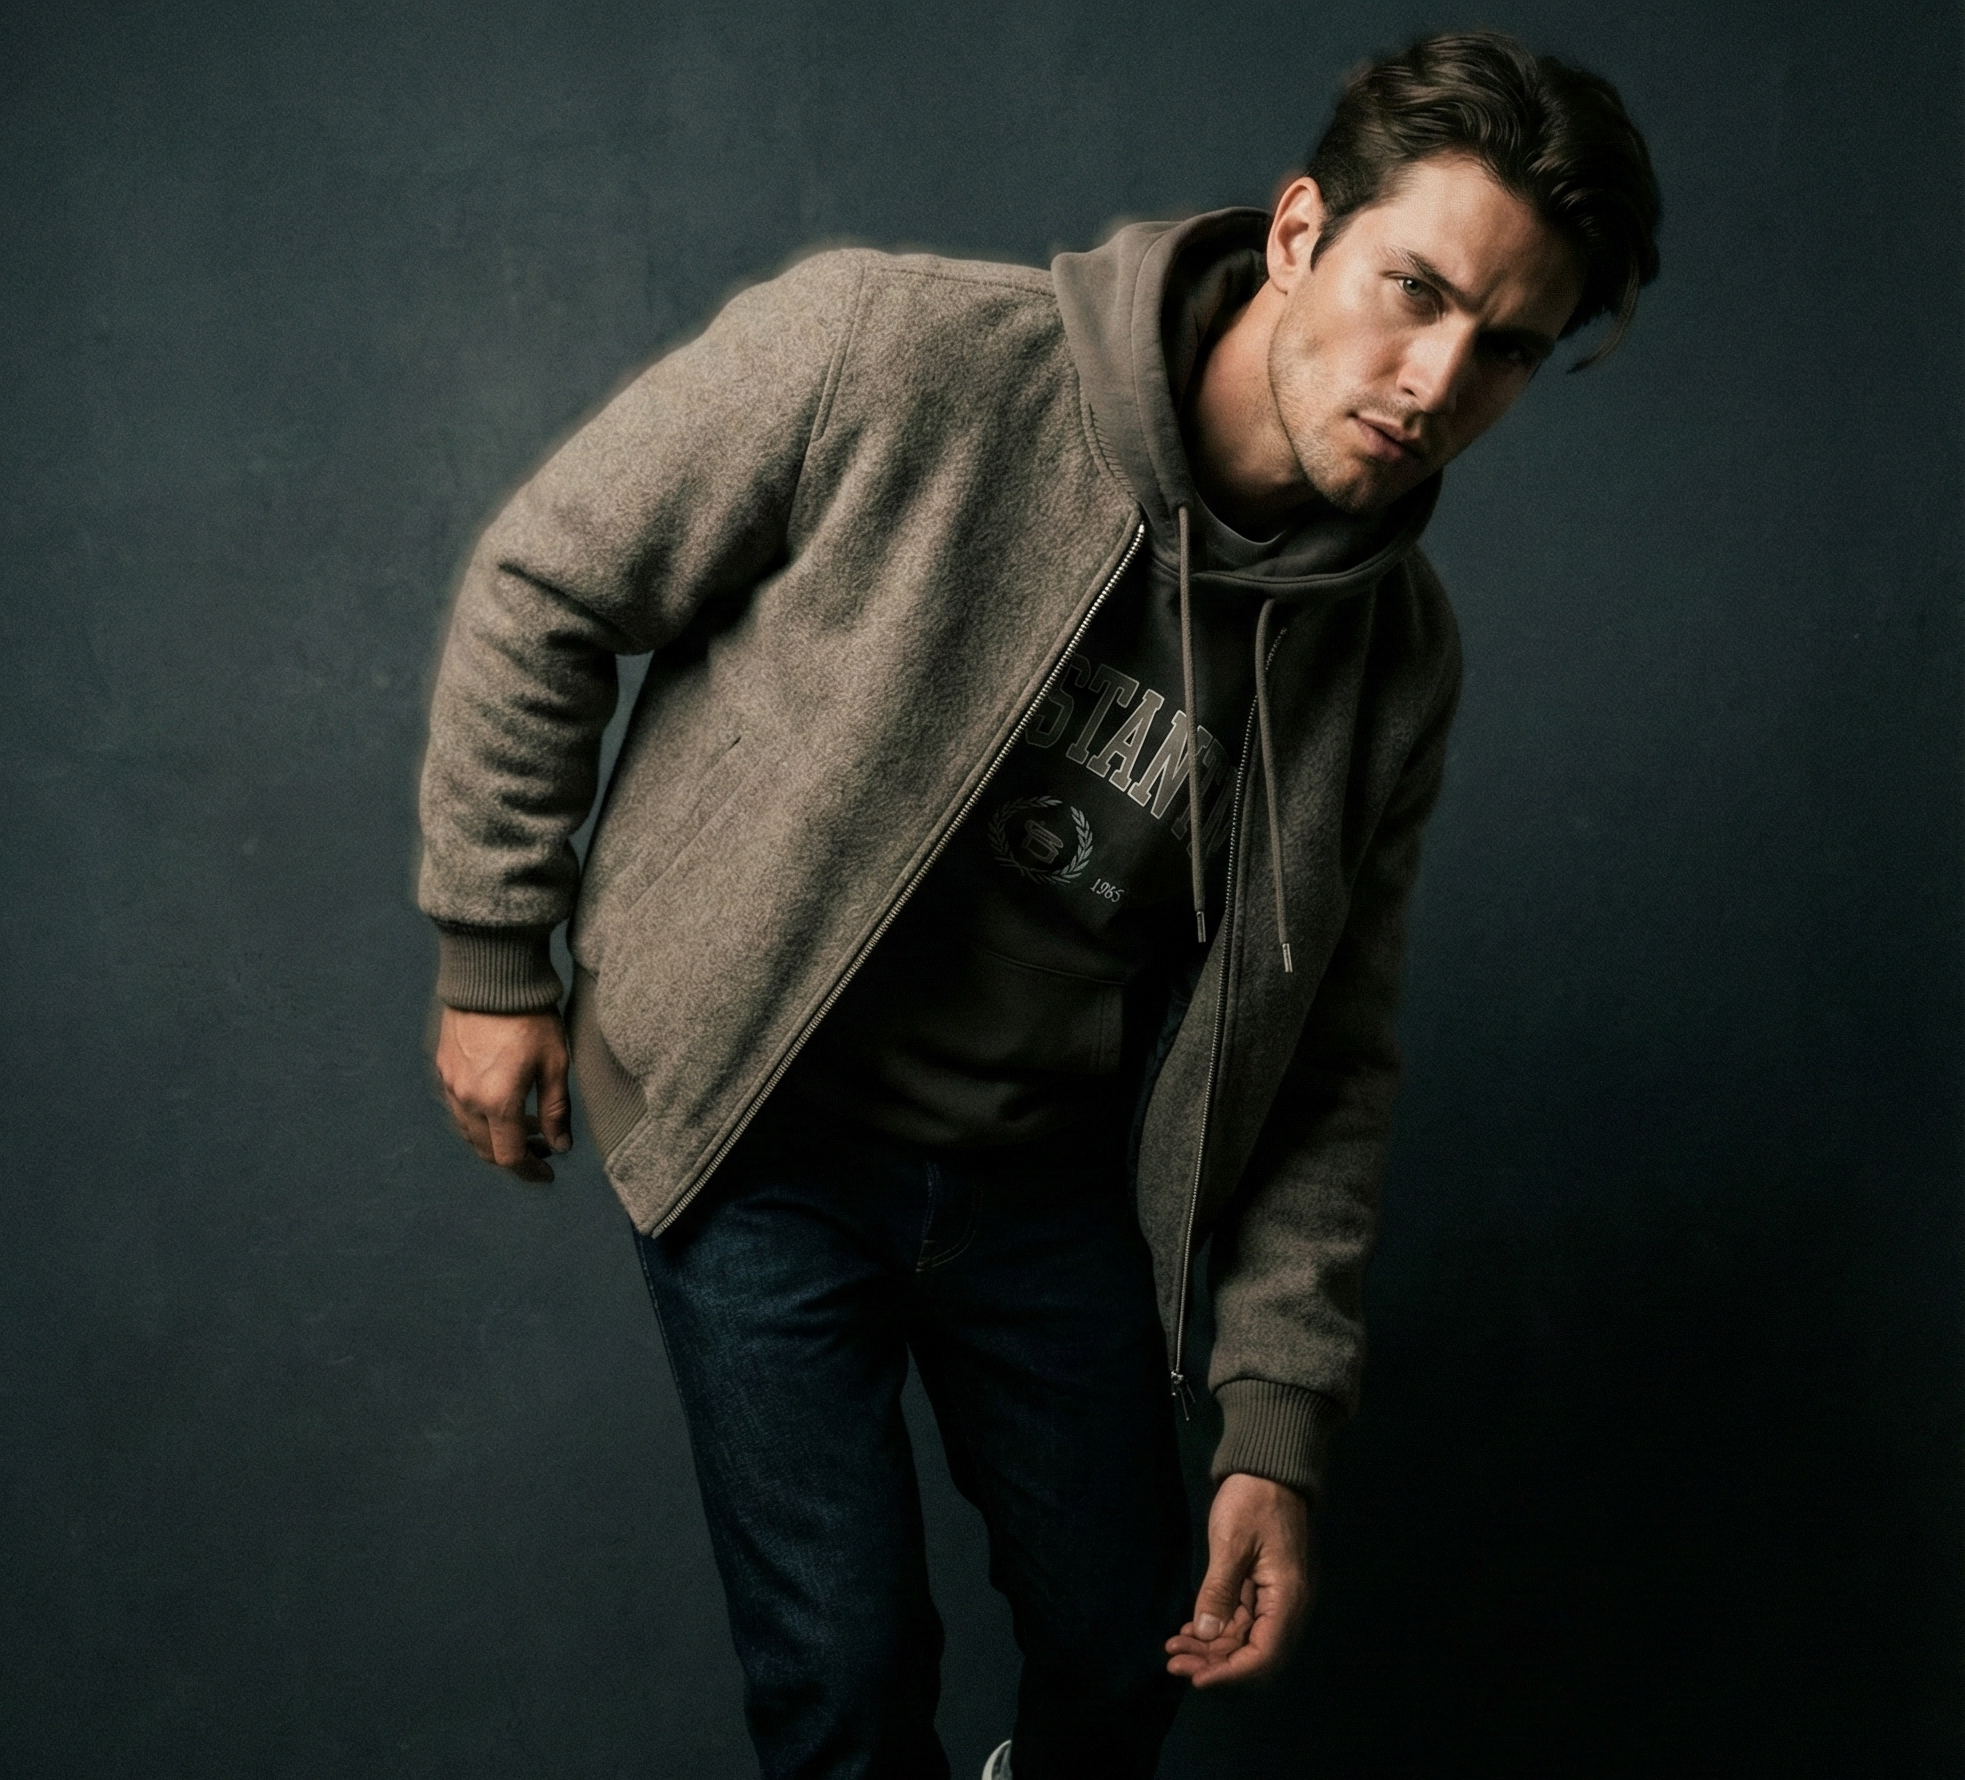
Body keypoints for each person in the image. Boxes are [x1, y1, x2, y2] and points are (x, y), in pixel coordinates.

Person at [418, 29, 1659, 1780]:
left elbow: (1327, 1059)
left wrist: (1277, 1422)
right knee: (848, 1676)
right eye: (1418, 290)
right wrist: (495, 952)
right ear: (1300, 230)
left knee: (1129, 1643)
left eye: (1510, 347)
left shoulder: (1392, 661)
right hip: (763, 1128)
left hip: (1049, 1187)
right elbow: (548, 585)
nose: (1439, 379)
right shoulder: (896, 350)